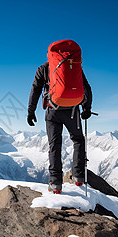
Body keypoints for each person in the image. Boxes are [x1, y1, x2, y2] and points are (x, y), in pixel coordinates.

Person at [27, 48, 93, 194]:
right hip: (72, 111)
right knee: (78, 140)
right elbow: (86, 87)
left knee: (54, 145)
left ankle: (55, 183)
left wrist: (31, 111)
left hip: (52, 111)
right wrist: (87, 108)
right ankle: (78, 176)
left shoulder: (43, 68)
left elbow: (35, 89)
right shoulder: (73, 67)